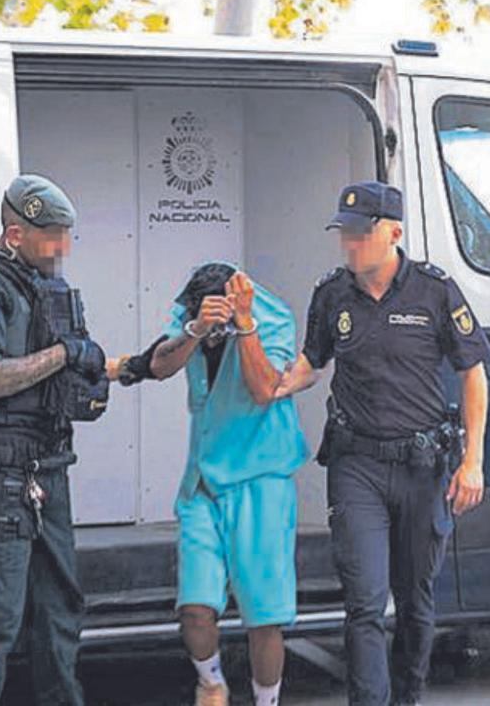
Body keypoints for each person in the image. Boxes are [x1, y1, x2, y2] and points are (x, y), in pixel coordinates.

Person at [274, 182, 490, 706]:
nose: (349, 244)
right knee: (365, 604)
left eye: (359, 233)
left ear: (393, 233)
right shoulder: (332, 294)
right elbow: (311, 362)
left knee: (415, 604)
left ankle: (407, 697)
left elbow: (474, 374)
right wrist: (275, 382)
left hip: (423, 468)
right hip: (357, 466)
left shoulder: (435, 291)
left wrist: (473, 462)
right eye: (343, 233)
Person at [0, 174, 110, 706]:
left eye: (66, 234)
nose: (63, 247)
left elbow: (64, 366)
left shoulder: (44, 285)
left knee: (61, 608)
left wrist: (94, 379)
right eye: (52, 235)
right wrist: (65, 355)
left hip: (47, 467)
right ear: (15, 234)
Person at [112, 263, 308, 706]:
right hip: (204, 481)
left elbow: (263, 389)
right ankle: (212, 681)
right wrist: (197, 329)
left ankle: (266, 700)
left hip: (261, 479)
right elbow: (160, 365)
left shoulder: (274, 317)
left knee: (263, 616)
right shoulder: (193, 315)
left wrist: (244, 325)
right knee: (195, 608)